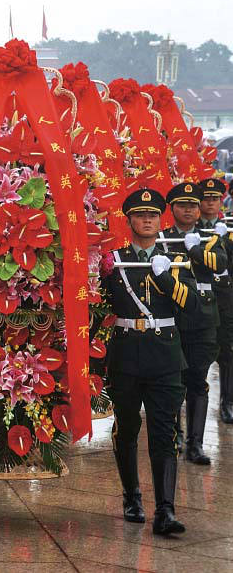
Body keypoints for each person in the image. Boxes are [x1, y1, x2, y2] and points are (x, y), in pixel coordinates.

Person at [103, 188, 196, 536]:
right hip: (126, 355)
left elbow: (192, 304)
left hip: (165, 356)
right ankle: (132, 496)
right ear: (129, 221)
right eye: (140, 215)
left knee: (165, 432)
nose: (147, 220)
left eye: (153, 215)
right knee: (126, 428)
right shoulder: (113, 260)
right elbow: (100, 301)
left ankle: (166, 510)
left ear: (161, 220)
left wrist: (164, 277)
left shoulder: (176, 257)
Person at [158, 182, 226, 465]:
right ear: (172, 208)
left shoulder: (210, 236)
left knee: (198, 380)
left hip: (202, 320)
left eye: (194, 205)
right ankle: (174, 435)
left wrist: (196, 250)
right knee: (173, 381)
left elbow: (220, 264)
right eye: (183, 205)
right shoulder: (162, 239)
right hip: (172, 316)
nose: (189, 209)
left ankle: (195, 444)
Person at [198, 178, 233, 424]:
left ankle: (228, 402)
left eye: (215, 198)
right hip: (198, 299)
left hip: (225, 299)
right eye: (206, 198)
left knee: (229, 352)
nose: (210, 203)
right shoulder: (190, 232)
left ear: (221, 202)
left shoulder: (229, 231)